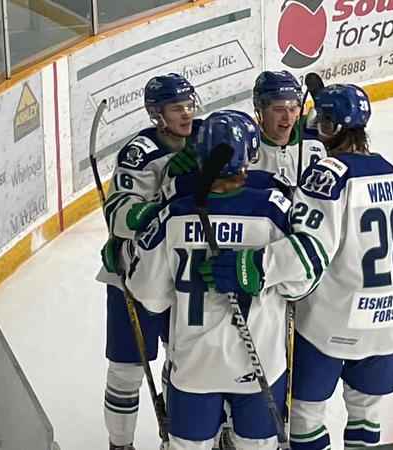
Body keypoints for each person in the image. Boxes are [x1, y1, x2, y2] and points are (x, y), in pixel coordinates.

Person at [202, 84, 393, 448]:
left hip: (332, 319)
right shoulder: (389, 171)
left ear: (331, 125)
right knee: (366, 413)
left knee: (305, 415)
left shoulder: (330, 173)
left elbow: (309, 250)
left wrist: (251, 265)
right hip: (387, 318)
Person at [126, 110, 292, 450]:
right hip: (259, 363)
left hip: (194, 365)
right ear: (251, 154)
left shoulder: (173, 213)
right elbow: (300, 283)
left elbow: (150, 295)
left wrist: (127, 254)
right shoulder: (275, 210)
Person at [96, 73, 201, 450]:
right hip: (135, 270)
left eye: (189, 105)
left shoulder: (204, 137)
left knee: (183, 365)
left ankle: (176, 438)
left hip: (182, 273)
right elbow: (120, 214)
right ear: (157, 114)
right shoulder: (138, 153)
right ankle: (120, 443)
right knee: (126, 371)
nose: (186, 114)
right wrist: (167, 192)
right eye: (176, 108)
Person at [246, 70, 326, 196]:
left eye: (293, 109)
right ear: (260, 109)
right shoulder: (245, 149)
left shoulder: (315, 143)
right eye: (278, 109)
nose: (287, 117)